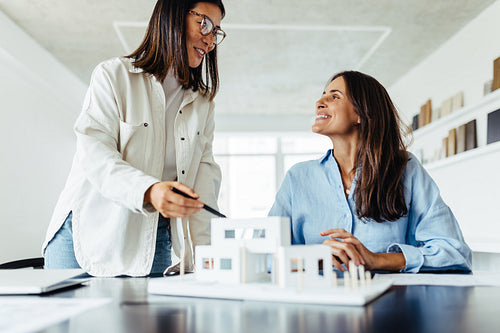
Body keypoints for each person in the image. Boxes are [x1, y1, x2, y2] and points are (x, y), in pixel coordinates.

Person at [42, 0, 226, 277]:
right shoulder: (113, 75)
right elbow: (95, 155)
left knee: (146, 320)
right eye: (205, 24)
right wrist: (149, 191)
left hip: (153, 240)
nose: (210, 40)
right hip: (85, 234)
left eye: (216, 32)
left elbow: (203, 183)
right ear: (173, 17)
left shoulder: (202, 104)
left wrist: (206, 256)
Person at [269, 71, 472, 273]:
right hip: (315, 303)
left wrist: (376, 259)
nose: (319, 102)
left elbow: (454, 253)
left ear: (361, 113)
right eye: (323, 95)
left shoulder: (406, 168)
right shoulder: (298, 178)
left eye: (334, 96)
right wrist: (310, 259)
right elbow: (263, 256)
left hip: (392, 303)